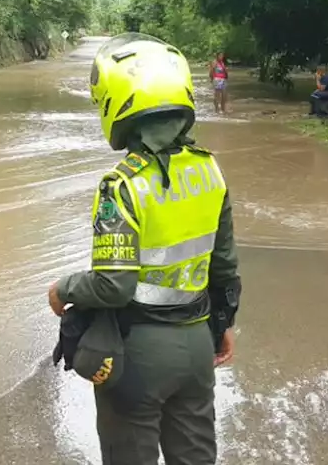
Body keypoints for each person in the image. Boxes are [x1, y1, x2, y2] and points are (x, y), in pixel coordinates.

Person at [47, 33, 242, 465]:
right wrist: (224, 321)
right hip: (196, 345)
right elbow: (225, 266)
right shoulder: (210, 170)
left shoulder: (121, 185)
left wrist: (63, 289)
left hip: (138, 352)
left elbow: (114, 286)